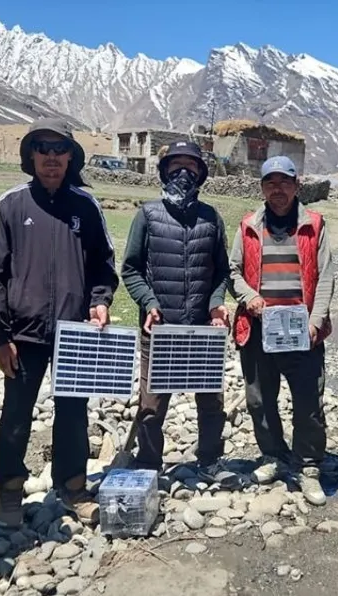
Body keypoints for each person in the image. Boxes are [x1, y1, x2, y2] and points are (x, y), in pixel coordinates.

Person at [0, 119, 119, 528]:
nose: (51, 157)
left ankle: (73, 487)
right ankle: (9, 491)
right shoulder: (12, 204)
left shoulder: (86, 206)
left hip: (74, 331)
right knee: (16, 414)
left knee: (74, 411)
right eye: (42, 148)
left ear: (70, 157)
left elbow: (103, 264)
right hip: (23, 336)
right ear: (31, 156)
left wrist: (99, 301)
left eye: (60, 149)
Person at [120, 141, 244, 489]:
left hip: (202, 329)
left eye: (191, 167)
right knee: (151, 404)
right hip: (159, 328)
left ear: (201, 174)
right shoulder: (147, 215)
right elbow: (130, 269)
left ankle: (210, 461)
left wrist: (216, 302)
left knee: (210, 401)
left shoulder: (211, 217)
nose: (183, 174)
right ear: (164, 172)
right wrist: (149, 301)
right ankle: (148, 464)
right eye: (176, 167)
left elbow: (220, 271)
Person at [227, 156, 335, 506]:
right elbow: (233, 271)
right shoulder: (247, 226)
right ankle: (273, 455)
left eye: (284, 182)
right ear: (262, 188)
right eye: (270, 182)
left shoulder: (315, 225)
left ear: (296, 186)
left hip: (303, 331)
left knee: (308, 403)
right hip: (259, 330)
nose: (278, 189)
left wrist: (316, 320)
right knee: (259, 400)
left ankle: (308, 465)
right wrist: (250, 297)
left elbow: (327, 276)